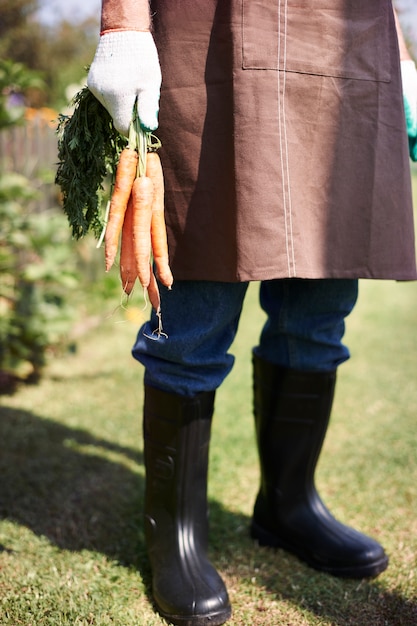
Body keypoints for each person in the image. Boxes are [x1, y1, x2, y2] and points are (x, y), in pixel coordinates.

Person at [87, 2, 417, 625]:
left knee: (322, 304)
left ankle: (289, 506)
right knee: (197, 303)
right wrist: (123, 24)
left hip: (343, 43)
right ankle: (175, 538)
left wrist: (401, 58)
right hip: (212, 30)